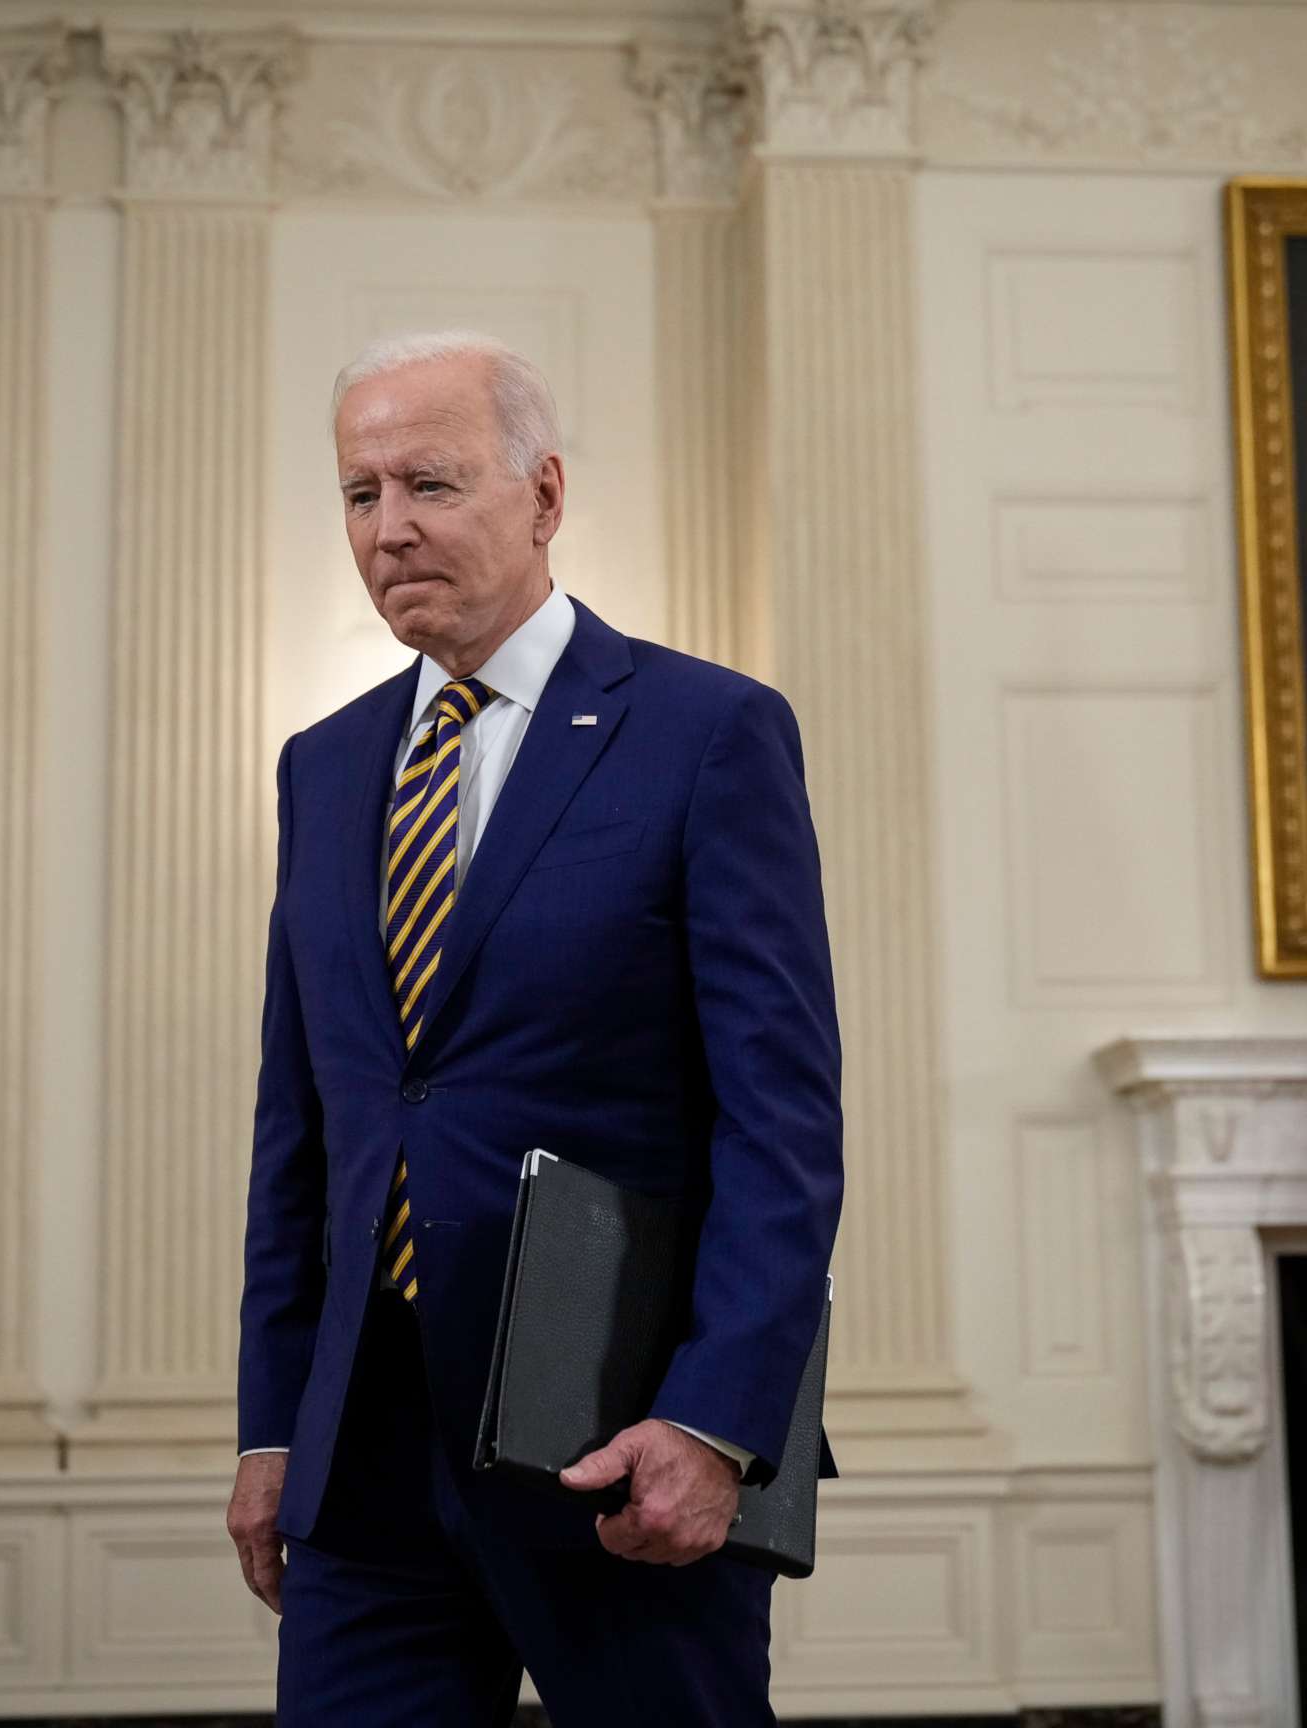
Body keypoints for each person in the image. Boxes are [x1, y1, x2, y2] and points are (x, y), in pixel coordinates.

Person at [225, 330, 843, 1726]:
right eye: (359, 493)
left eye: (430, 485)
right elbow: (304, 1139)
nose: (388, 531)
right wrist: (274, 1424)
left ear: (546, 495)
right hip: (364, 1463)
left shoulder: (708, 734)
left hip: (615, 1442)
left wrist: (716, 1420)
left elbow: (782, 1123)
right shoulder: (322, 770)